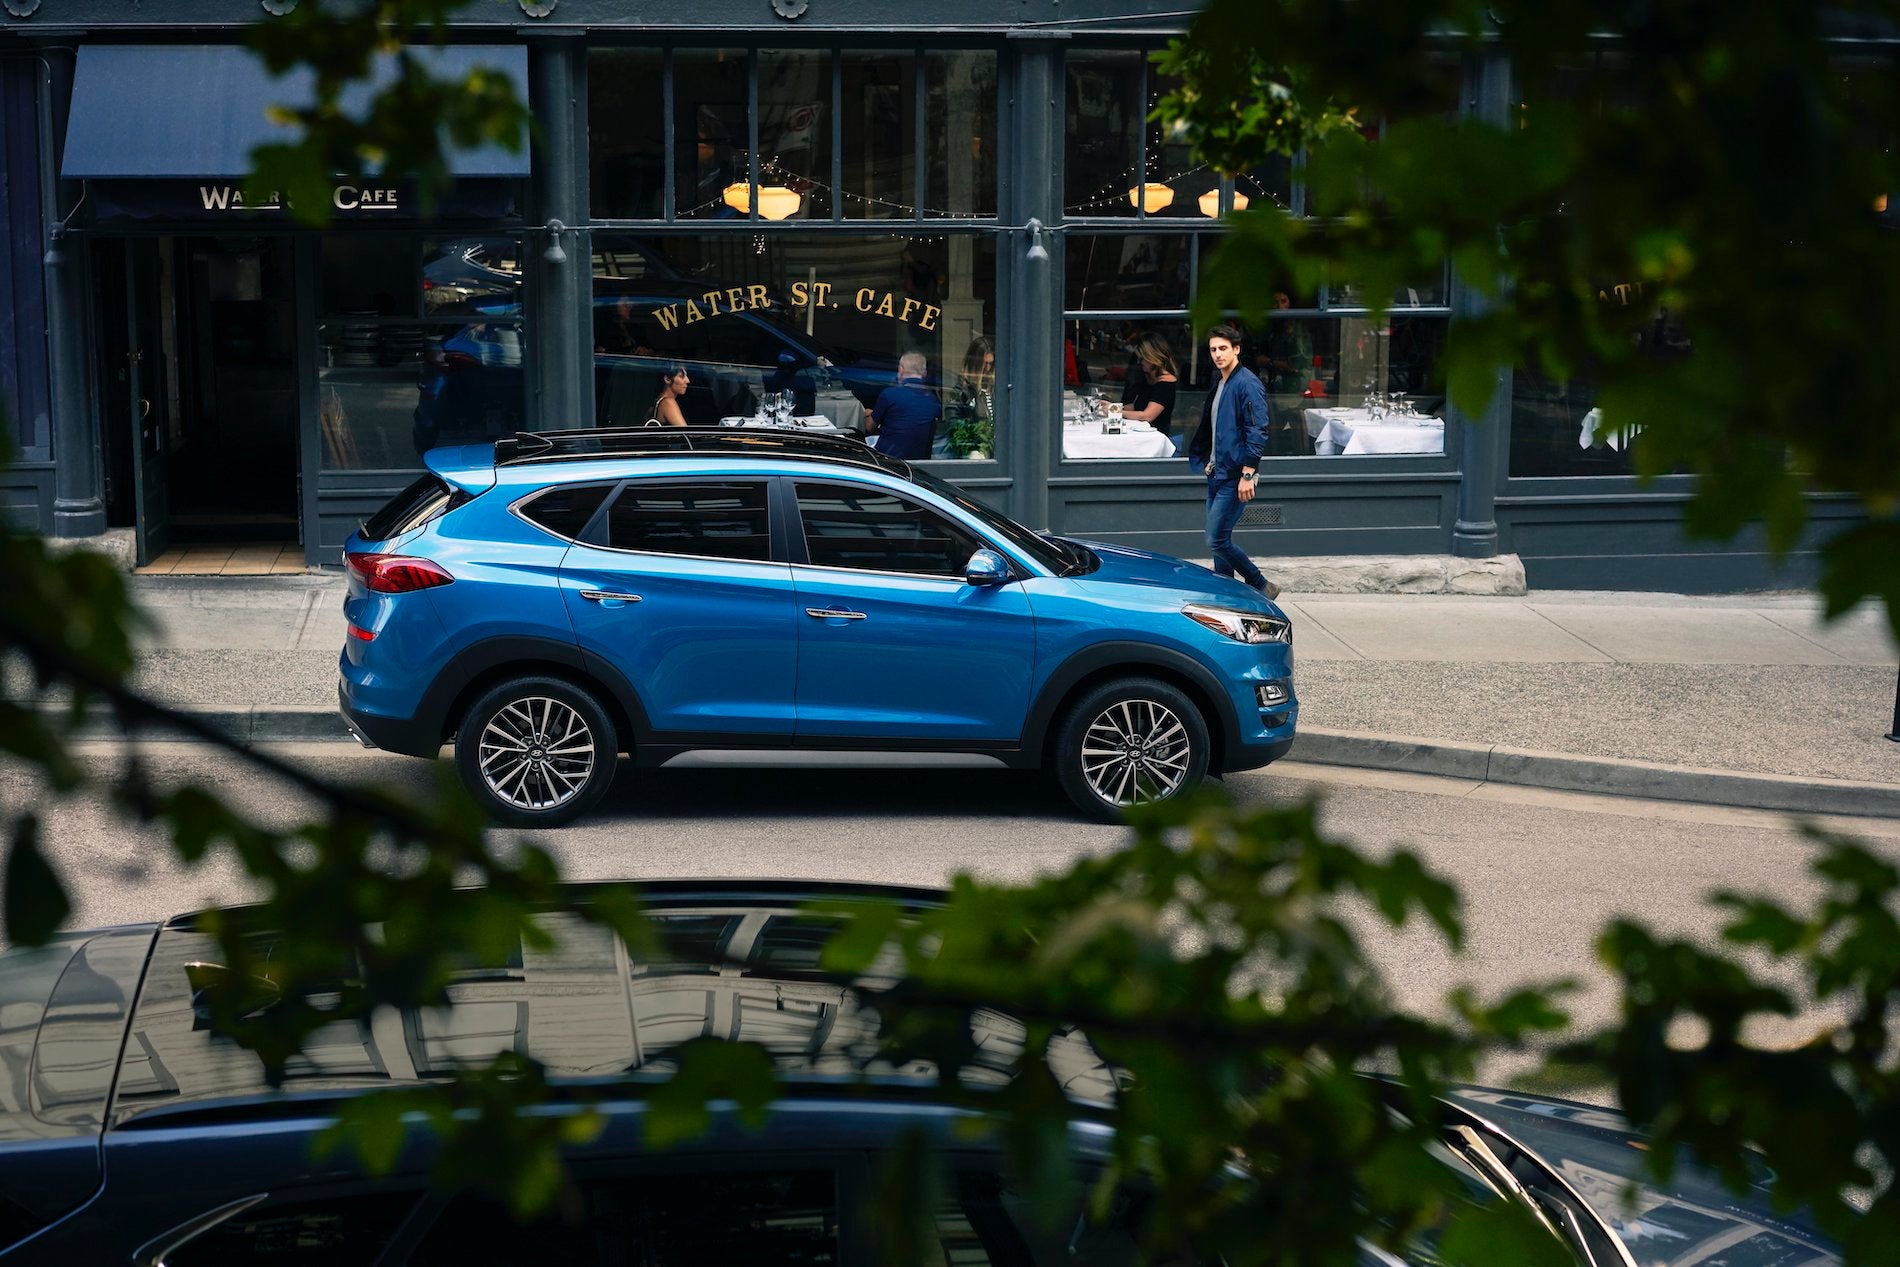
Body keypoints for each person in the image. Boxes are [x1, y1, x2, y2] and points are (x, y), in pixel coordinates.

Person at [1184, 324, 1279, 600]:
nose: (1217, 354)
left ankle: (1261, 584)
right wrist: (1208, 459)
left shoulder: (1247, 383)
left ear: (1236, 349)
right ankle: (1226, 596)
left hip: (1236, 475)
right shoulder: (1221, 382)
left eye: (1223, 348)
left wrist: (1248, 474)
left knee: (1216, 539)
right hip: (1217, 472)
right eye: (1213, 349)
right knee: (1219, 542)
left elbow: (1258, 429)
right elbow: (1217, 427)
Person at [868, 352, 940, 460]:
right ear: (925, 373)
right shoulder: (933, 400)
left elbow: (869, 427)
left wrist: (867, 414)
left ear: (901, 370)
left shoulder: (889, 394)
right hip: (919, 462)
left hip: (887, 461)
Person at [1115, 332, 1180, 442]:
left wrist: (1115, 412)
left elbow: (1148, 416)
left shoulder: (1165, 383)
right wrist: (1111, 407)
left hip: (1154, 439)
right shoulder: (1148, 378)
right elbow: (1136, 406)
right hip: (1139, 434)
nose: (1140, 362)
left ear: (1153, 358)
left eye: (1143, 359)